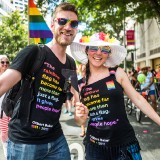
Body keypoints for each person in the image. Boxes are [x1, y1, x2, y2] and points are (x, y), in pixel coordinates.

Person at [0, 2, 80, 160]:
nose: (68, 27)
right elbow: (2, 84)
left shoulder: (71, 63)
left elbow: (75, 96)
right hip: (25, 142)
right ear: (52, 25)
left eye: (74, 23)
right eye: (62, 21)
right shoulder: (34, 52)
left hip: (56, 139)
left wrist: (80, 109)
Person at [70, 32, 160, 160]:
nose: (98, 53)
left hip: (124, 145)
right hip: (95, 149)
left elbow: (138, 99)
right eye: (94, 48)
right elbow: (80, 120)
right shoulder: (79, 84)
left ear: (109, 54)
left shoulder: (117, 73)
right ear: (87, 50)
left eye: (104, 49)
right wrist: (80, 117)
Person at [0, 55, 10, 158]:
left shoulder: (12, 76)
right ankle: (7, 155)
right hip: (1, 111)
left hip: (12, 110)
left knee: (12, 133)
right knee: (4, 133)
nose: (5, 64)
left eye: (7, 62)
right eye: (2, 62)